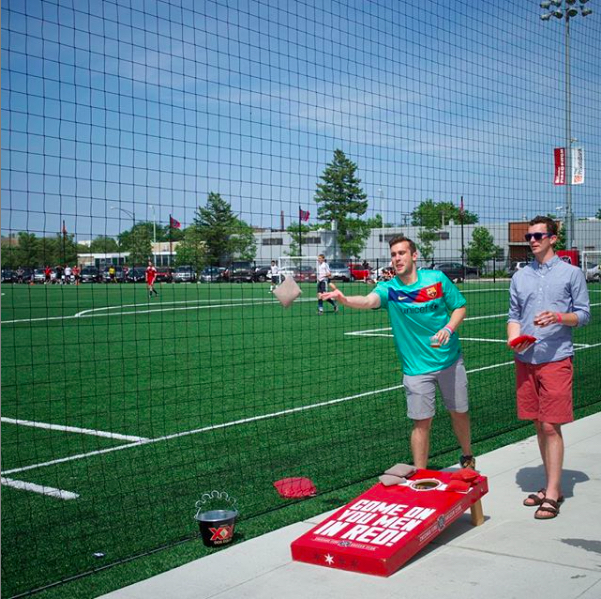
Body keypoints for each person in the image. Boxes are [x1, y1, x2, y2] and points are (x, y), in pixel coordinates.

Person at [320, 235, 474, 470]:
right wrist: (346, 300)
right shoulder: (389, 288)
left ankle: (467, 456)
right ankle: (421, 475)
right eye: (393, 255)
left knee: (459, 412)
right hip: (416, 369)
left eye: (401, 253)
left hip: (449, 361)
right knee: (421, 423)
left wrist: (448, 328)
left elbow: (460, 307)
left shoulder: (436, 279)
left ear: (414, 256)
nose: (397, 258)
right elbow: (368, 300)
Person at [507, 216, 590, 520]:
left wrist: (558, 317)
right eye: (529, 235)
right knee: (538, 423)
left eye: (539, 235)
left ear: (553, 238)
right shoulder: (520, 277)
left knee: (550, 425)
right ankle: (550, 483)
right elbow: (513, 315)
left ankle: (553, 492)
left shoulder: (571, 273)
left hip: (556, 358)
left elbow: (583, 315)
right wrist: (513, 339)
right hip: (526, 359)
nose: (532, 240)